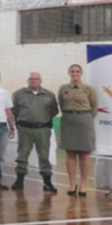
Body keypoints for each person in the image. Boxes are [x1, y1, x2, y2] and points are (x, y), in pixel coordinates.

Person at [11, 72, 59, 192]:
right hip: (24, 129)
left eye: (36, 79)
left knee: (44, 156)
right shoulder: (19, 94)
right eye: (31, 79)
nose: (34, 81)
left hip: (42, 129)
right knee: (22, 156)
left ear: (41, 80)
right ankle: (19, 181)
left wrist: (41, 120)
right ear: (28, 80)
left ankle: (47, 183)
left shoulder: (50, 95)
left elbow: (54, 111)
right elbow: (15, 110)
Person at [58, 64, 98, 197]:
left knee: (85, 154)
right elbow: (61, 105)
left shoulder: (88, 89)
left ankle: (83, 184)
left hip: (84, 121)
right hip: (68, 121)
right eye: (72, 71)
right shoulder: (63, 89)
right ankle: (72, 183)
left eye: (77, 71)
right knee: (70, 153)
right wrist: (71, 115)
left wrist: (85, 118)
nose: (75, 74)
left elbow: (94, 106)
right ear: (69, 73)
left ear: (81, 73)